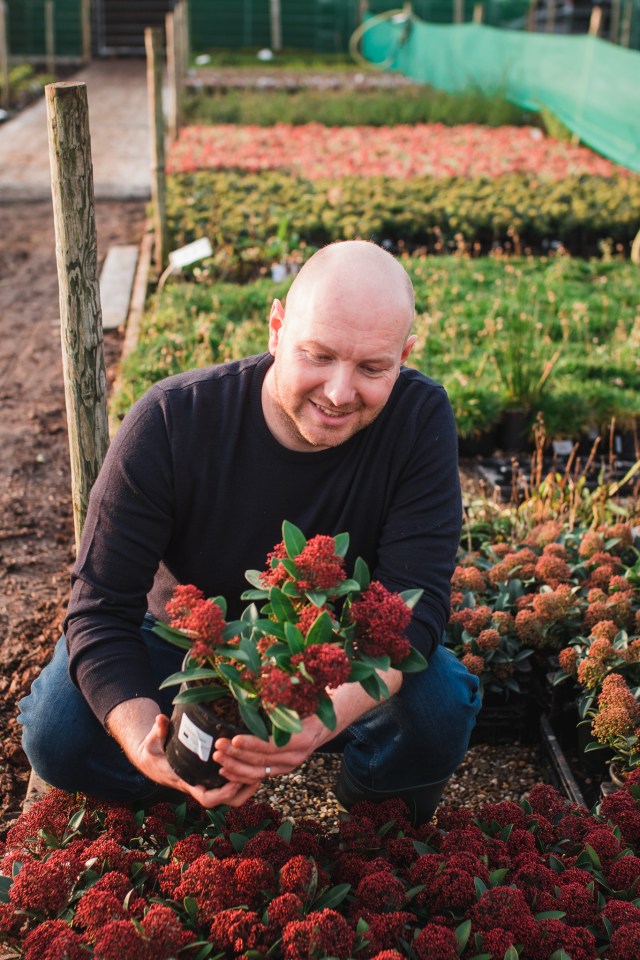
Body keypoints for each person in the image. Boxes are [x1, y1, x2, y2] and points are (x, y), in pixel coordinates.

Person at [19, 240, 481, 823]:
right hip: (187, 647)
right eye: (318, 355)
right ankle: (184, 790)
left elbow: (414, 611)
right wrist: (144, 746)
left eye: (372, 368)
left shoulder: (418, 419)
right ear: (276, 327)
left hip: (328, 653)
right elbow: (99, 611)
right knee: (59, 729)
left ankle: (370, 813)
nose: (340, 393)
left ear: (405, 355)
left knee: (438, 707)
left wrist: (315, 724)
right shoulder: (169, 422)